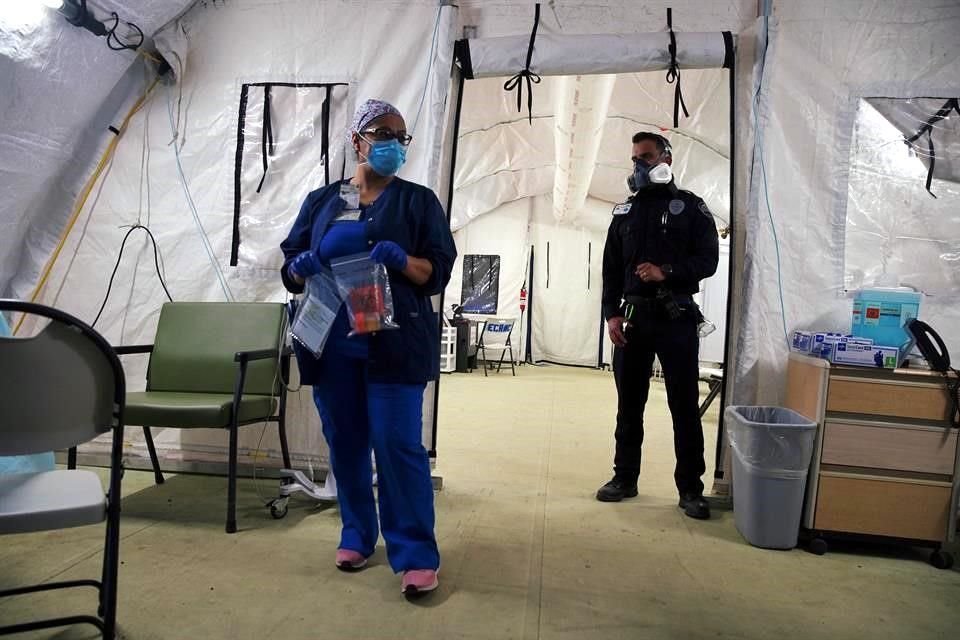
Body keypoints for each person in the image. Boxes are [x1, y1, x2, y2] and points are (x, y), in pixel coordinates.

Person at [280, 99, 456, 596]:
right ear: (357, 141)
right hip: (332, 344)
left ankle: (416, 552)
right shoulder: (322, 201)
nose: (393, 143)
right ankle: (356, 534)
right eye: (382, 133)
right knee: (347, 443)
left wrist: (403, 261)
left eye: (401, 137)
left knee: (398, 447)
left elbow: (436, 271)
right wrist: (300, 267)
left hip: (393, 344)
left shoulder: (418, 202)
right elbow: (290, 261)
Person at [597, 132, 719, 520]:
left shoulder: (692, 208)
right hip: (632, 319)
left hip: (676, 318)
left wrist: (665, 271)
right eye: (635, 159)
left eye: (646, 158)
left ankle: (690, 490)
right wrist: (611, 314)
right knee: (629, 405)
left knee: (684, 406)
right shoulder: (625, 213)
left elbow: (708, 261)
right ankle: (624, 478)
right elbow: (611, 269)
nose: (639, 166)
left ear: (665, 158)